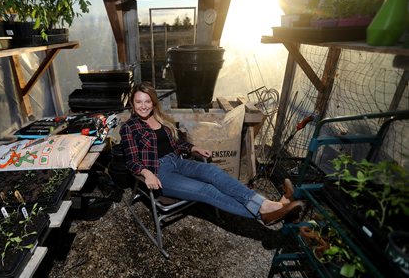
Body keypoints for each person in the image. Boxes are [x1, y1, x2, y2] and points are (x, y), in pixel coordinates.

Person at [119, 82, 304, 225]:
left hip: (177, 161)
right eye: (138, 102)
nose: (143, 106)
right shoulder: (129, 128)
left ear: (153, 102)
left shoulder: (159, 119)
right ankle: (268, 210)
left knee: (213, 172)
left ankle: (268, 207)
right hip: (159, 172)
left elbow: (173, 143)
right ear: (133, 104)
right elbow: (132, 160)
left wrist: (192, 148)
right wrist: (146, 172)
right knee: (206, 190)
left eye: (147, 101)